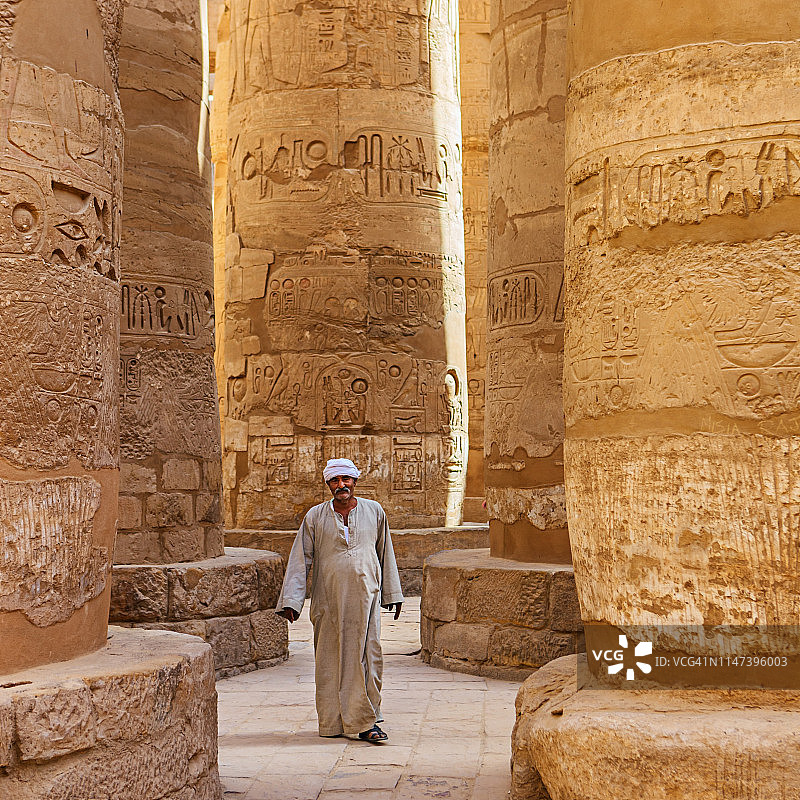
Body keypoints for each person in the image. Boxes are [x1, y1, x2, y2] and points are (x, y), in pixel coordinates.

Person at [276, 457, 404, 743]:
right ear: (328, 484)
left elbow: (386, 554)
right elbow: (301, 558)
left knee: (367, 657)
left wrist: (392, 594)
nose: (341, 485)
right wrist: (292, 600)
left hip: (366, 599)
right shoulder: (315, 517)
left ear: (355, 482)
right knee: (330, 661)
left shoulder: (374, 511)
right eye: (335, 481)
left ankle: (366, 721)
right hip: (328, 602)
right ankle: (334, 722)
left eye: (346, 479)